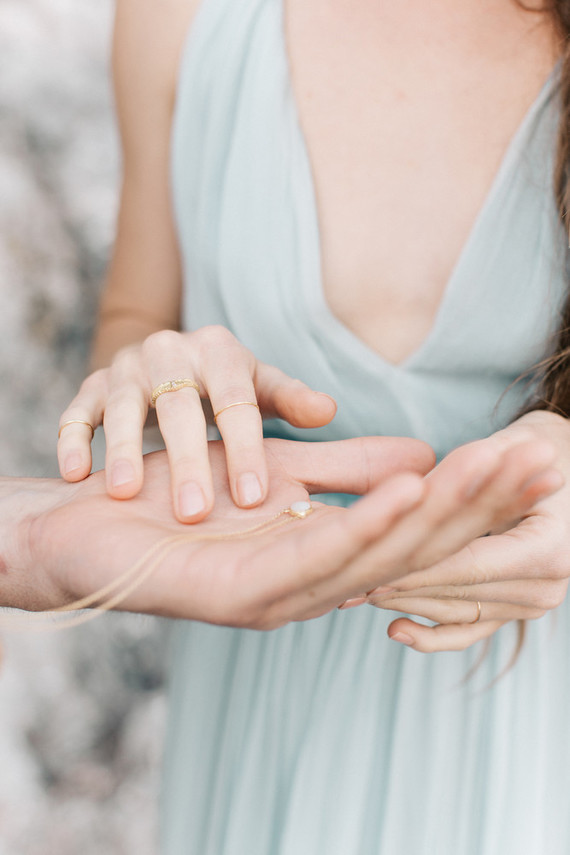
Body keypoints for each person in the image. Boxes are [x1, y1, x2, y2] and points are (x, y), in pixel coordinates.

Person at [55, 0, 570, 852]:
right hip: (261, 682)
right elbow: (136, 310)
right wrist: (154, 375)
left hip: (535, 698)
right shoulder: (173, 15)